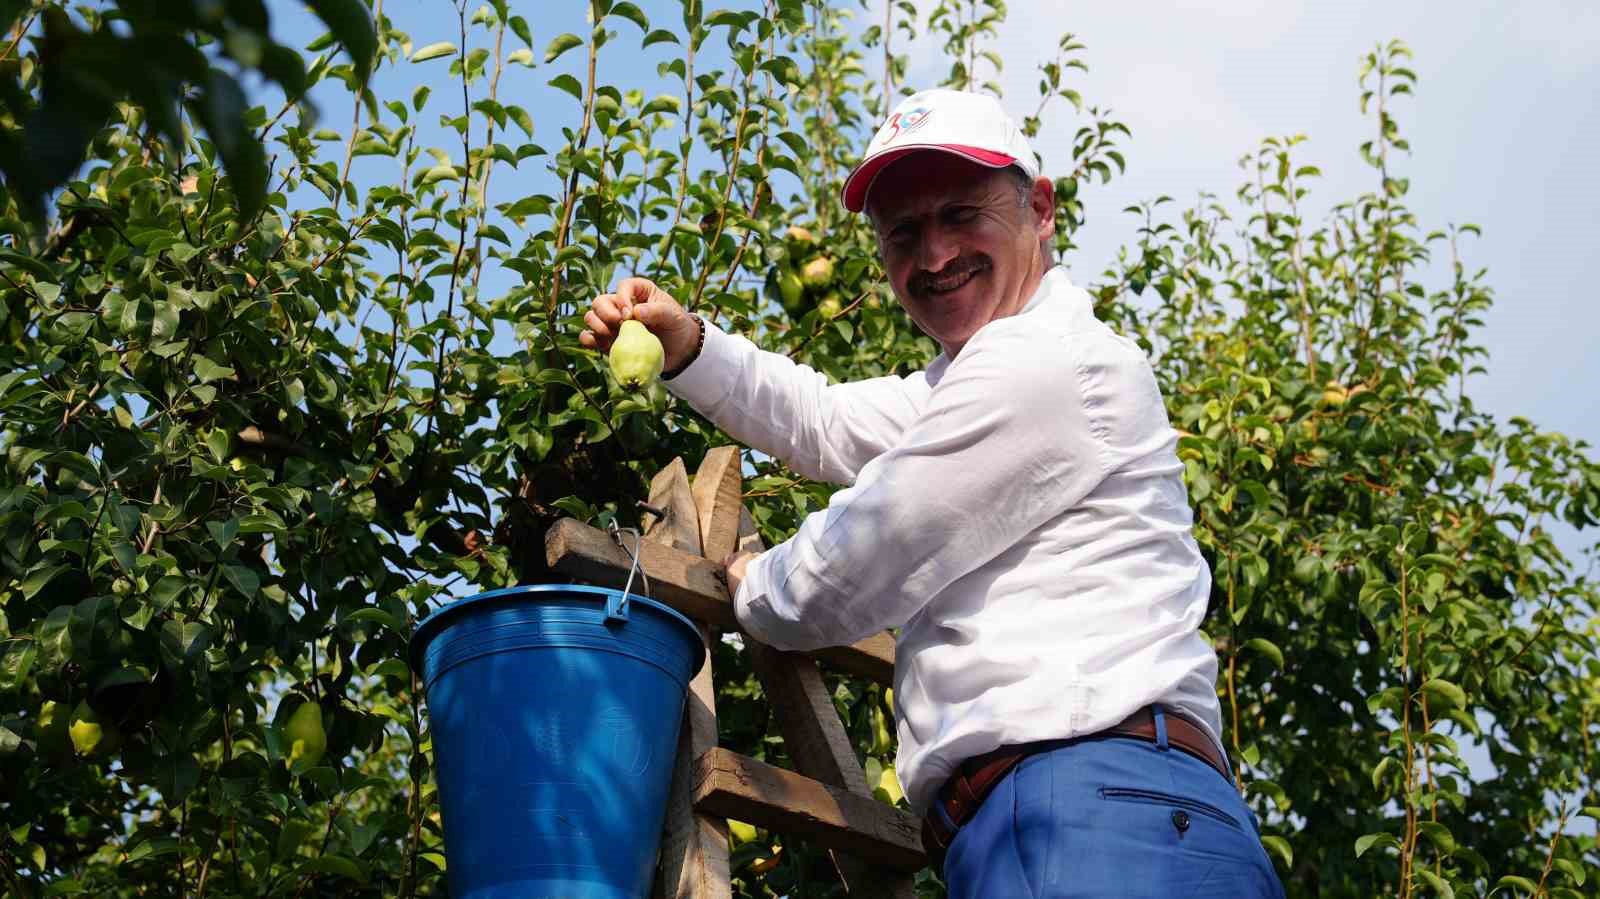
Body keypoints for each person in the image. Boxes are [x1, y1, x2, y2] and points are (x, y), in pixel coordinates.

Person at [580, 88, 1284, 898]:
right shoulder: (989, 372)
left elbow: (863, 553)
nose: (935, 254)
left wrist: (755, 584)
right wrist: (689, 344)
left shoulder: (1041, 365)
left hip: (1085, 809)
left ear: (1041, 208)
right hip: (1115, 813)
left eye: (962, 214)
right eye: (904, 233)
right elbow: (826, 419)